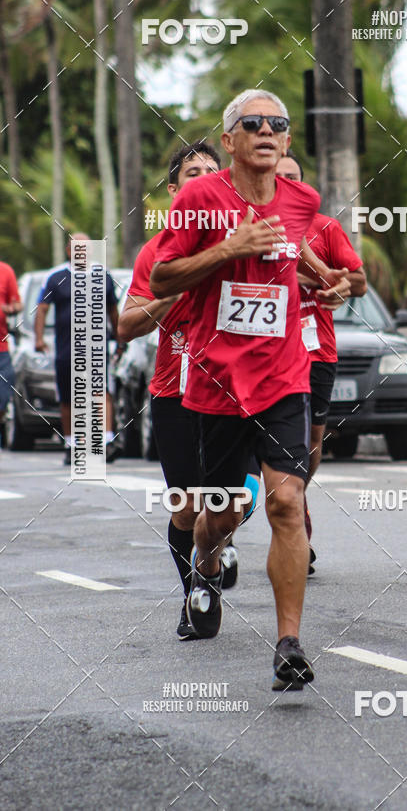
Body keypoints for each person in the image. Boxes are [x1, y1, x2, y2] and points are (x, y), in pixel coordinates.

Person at [150, 88, 350, 690]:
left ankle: (288, 643)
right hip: (216, 382)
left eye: (278, 125)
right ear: (231, 139)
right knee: (223, 512)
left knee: (286, 502)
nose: (267, 131)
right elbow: (163, 274)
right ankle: (206, 571)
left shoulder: (302, 200)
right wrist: (229, 247)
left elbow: (296, 251)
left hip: (285, 376)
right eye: (253, 123)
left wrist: (328, 278)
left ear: (287, 142)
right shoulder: (198, 199)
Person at [118, 140, 260, 640]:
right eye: (191, 172)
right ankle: (198, 594)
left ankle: (212, 561)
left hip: (235, 390)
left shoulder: (247, 240)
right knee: (187, 505)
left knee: (232, 503)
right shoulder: (157, 252)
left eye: (211, 171)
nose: (203, 178)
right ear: (176, 190)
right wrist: (177, 287)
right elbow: (127, 324)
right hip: (175, 392)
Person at [276, 151, 367, 573]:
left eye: (294, 178)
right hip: (266, 350)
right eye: (280, 178)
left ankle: (293, 499)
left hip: (317, 351)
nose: (287, 185)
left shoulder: (325, 227)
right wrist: (312, 278)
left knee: (311, 444)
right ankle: (288, 514)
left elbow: (359, 280)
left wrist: (342, 284)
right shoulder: (252, 224)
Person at [34, 234, 120, 463]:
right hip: (66, 349)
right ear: (68, 251)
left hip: (97, 347)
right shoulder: (56, 277)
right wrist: (39, 339)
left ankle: (106, 441)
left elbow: (113, 311)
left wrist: (121, 339)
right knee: (68, 397)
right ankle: (72, 444)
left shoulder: (103, 276)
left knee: (101, 392)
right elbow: (42, 309)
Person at [0, 260, 23, 442]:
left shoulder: (5, 270)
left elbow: (17, 304)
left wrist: (11, 308)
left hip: (2, 348)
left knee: (3, 396)